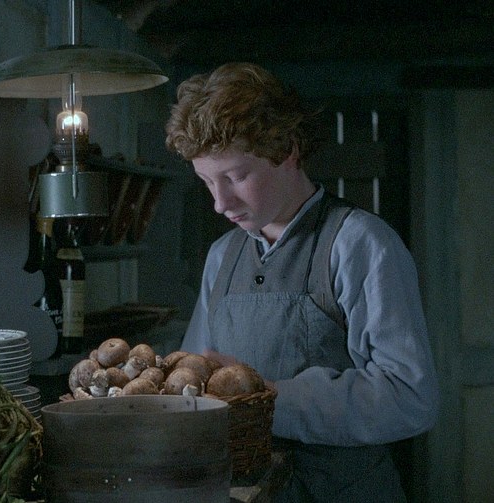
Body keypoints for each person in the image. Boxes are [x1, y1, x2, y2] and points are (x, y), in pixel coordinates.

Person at [164, 62, 439, 502]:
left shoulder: (359, 244)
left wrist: (270, 399)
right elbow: (196, 386)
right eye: (207, 182)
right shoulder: (221, 256)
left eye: (236, 177)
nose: (220, 203)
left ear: (288, 150)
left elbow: (410, 398)